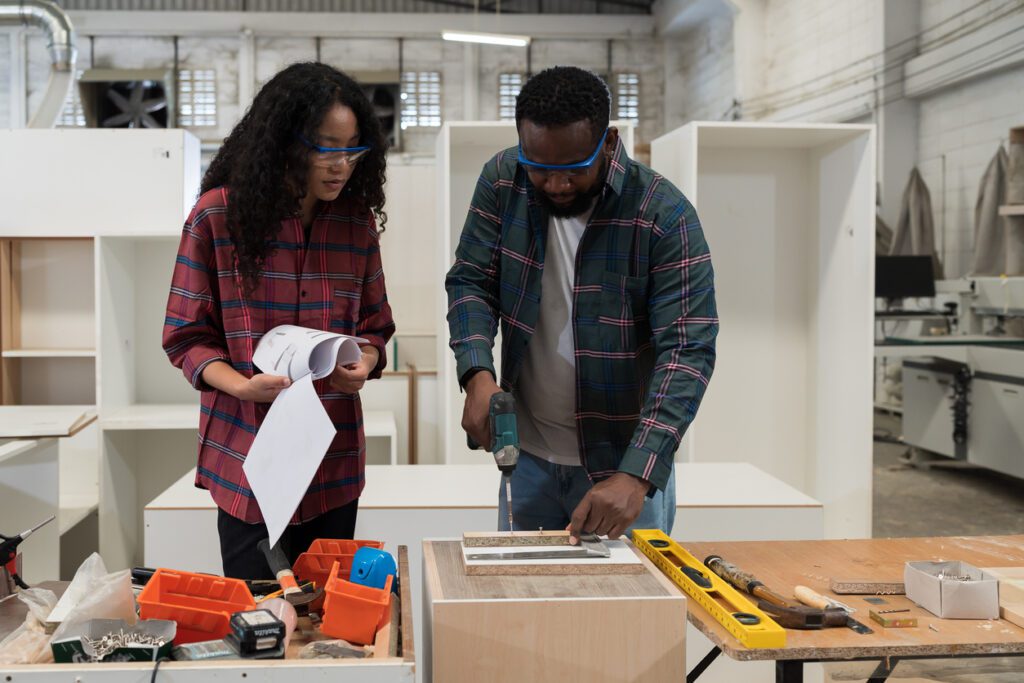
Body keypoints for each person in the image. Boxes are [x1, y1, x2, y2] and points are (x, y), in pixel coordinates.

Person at [446, 66, 718, 543]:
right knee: (523, 612)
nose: (554, 185)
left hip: (621, 471)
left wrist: (637, 475)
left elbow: (686, 350)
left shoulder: (663, 215)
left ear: (608, 143)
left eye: (573, 169)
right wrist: (476, 374)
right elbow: (471, 281)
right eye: (539, 168)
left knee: (628, 617)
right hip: (527, 462)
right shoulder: (502, 181)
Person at [163, 62, 395, 579]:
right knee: (260, 621)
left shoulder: (355, 223)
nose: (341, 165)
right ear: (286, 142)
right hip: (247, 456)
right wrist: (242, 387)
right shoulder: (218, 216)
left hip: (331, 458)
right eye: (325, 148)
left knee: (328, 622)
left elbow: (376, 327)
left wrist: (365, 362)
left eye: (352, 149)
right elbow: (185, 337)